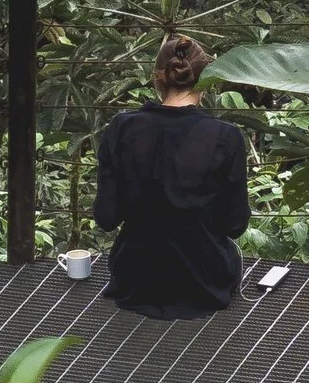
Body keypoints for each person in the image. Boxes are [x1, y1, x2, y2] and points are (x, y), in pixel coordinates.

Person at [93, 31, 250, 318]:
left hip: (134, 281)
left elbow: (106, 217)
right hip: (205, 284)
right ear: (205, 81)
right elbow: (235, 224)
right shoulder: (226, 137)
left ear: (157, 78)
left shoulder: (121, 129)